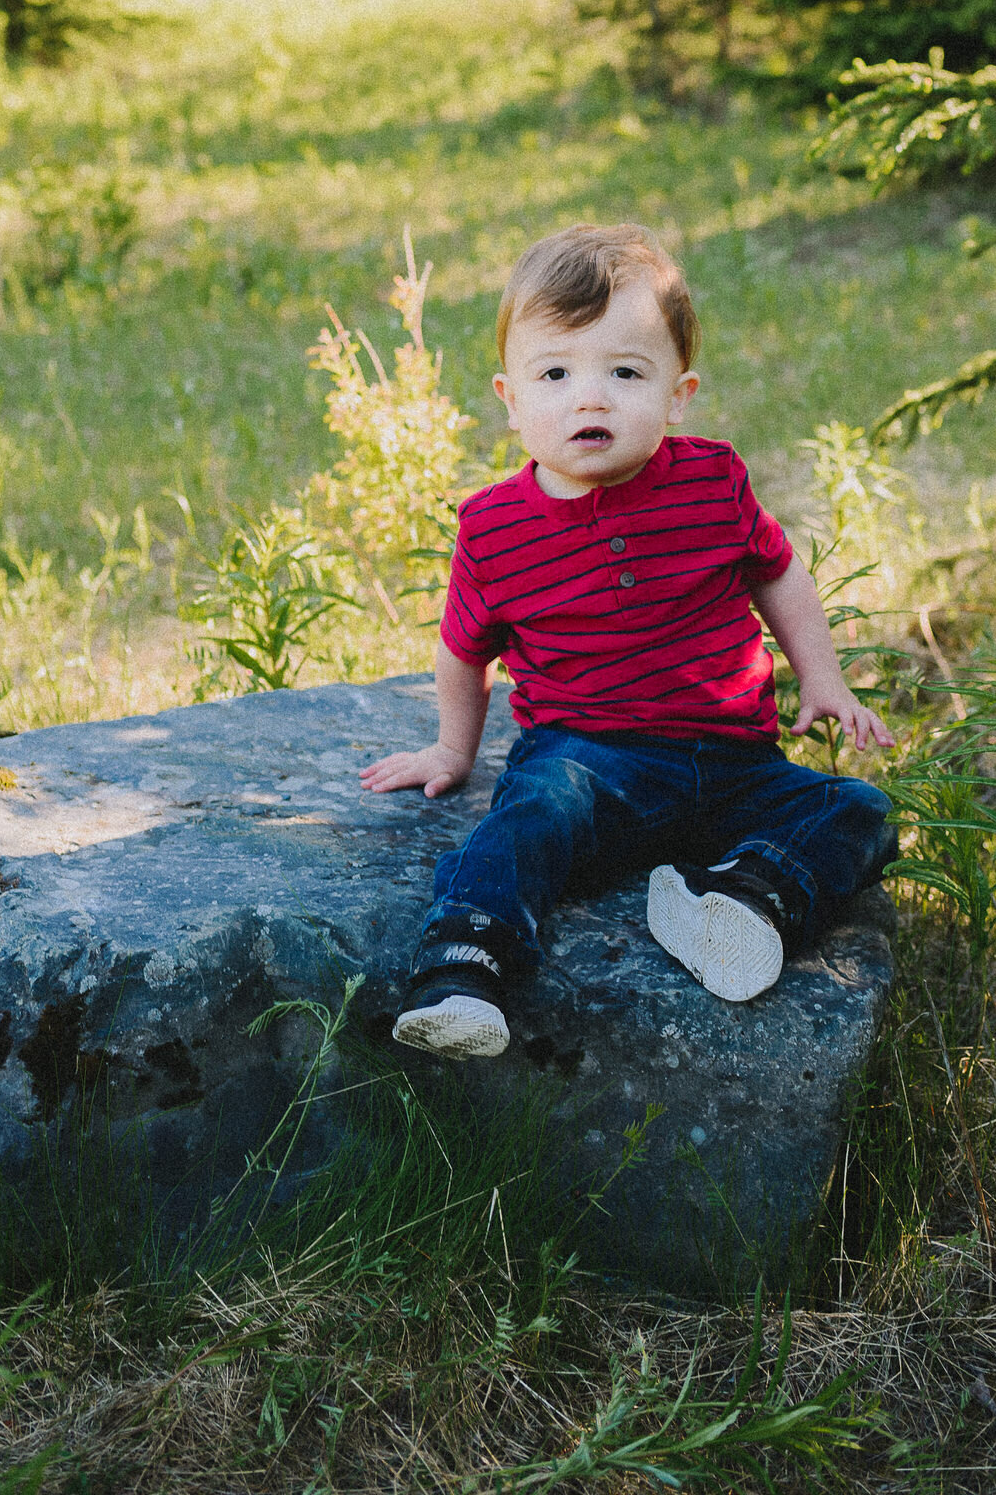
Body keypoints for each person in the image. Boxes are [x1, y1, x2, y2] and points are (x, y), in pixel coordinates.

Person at [360, 221, 897, 1061]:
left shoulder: (712, 480)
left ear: (677, 394)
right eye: (557, 373)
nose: (591, 397)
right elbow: (464, 649)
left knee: (856, 810)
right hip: (591, 764)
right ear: (510, 397)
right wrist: (451, 750)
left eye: (624, 372)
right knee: (530, 816)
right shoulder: (494, 528)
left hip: (732, 763)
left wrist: (821, 680)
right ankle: (465, 968)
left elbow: (778, 573)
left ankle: (738, 901)